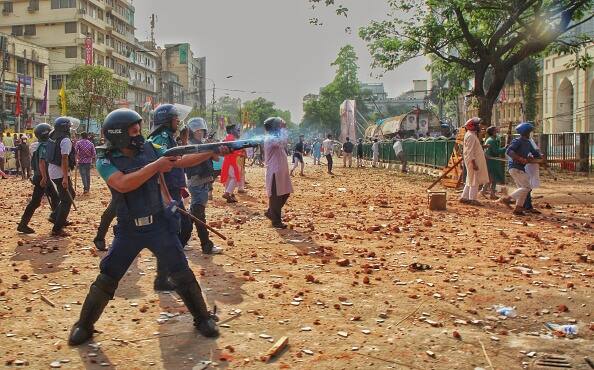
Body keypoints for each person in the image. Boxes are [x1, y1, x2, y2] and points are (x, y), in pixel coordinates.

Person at [67, 108, 225, 346]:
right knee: (108, 276)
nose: (139, 135)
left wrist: (209, 151)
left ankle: (202, 318)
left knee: (181, 271)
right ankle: (84, 325)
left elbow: (179, 160)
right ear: (119, 134)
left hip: (159, 226)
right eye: (133, 131)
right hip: (129, 230)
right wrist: (156, 166)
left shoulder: (150, 149)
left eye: (139, 129)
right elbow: (122, 183)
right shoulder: (105, 159)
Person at [148, 104, 193, 250]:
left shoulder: (168, 137)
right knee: (180, 224)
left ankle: (174, 255)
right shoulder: (161, 138)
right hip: (167, 189)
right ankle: (173, 257)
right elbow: (162, 162)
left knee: (182, 224)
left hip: (172, 187)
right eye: (175, 119)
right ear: (167, 121)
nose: (178, 121)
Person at [185, 117, 223, 254]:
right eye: (197, 131)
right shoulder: (189, 145)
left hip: (203, 181)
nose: (200, 133)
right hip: (196, 181)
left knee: (193, 214)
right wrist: (208, 149)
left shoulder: (203, 144)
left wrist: (212, 147)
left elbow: (217, 158)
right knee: (199, 214)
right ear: (191, 132)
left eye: (202, 131)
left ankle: (181, 240)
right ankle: (206, 245)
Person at [17, 124, 60, 234]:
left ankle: (23, 224)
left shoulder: (38, 146)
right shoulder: (44, 146)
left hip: (40, 176)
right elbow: (42, 163)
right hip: (43, 177)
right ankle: (57, 222)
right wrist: (45, 177)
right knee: (54, 198)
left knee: (38, 201)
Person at [499, 123, 542, 216]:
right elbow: (509, 151)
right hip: (515, 167)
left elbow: (535, 154)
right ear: (526, 132)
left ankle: (518, 209)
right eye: (530, 132)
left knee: (522, 189)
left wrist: (541, 157)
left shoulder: (528, 142)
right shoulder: (517, 141)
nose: (530, 133)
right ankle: (508, 198)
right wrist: (519, 158)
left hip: (520, 168)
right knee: (527, 188)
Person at [46, 117, 77, 237]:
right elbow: (64, 159)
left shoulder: (52, 136)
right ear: (65, 128)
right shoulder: (65, 140)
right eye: (69, 126)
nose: (70, 128)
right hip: (60, 172)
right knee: (67, 200)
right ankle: (57, 228)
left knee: (71, 194)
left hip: (53, 170)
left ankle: (55, 216)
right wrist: (65, 177)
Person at [263, 117, 293, 229]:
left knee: (285, 193)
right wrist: (284, 129)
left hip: (281, 171)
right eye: (279, 125)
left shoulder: (274, 137)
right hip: (275, 171)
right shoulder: (270, 138)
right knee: (276, 196)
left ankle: (271, 212)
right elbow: (283, 142)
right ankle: (276, 220)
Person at [459, 118, 489, 206]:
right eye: (478, 125)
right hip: (473, 161)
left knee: (470, 178)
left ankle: (464, 197)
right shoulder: (471, 136)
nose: (479, 126)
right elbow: (470, 151)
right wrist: (474, 163)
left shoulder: (471, 135)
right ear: (473, 126)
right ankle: (473, 199)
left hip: (473, 160)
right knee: (474, 179)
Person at [482, 126, 506, 200]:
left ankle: (485, 191)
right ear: (493, 132)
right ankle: (489, 193)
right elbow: (496, 151)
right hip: (492, 161)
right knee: (493, 177)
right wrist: (505, 148)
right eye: (496, 130)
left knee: (491, 178)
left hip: (492, 160)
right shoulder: (491, 141)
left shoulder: (492, 139)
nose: (497, 130)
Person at [220, 124, 242, 202]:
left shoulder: (227, 137)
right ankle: (227, 193)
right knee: (235, 177)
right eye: (236, 129)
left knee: (229, 178)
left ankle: (229, 196)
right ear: (232, 130)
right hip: (231, 162)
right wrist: (240, 153)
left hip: (227, 161)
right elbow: (233, 151)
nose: (238, 131)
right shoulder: (231, 138)